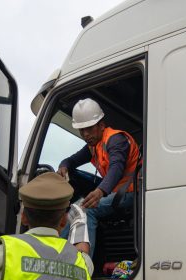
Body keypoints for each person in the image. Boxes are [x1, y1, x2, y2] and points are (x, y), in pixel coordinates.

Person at [58, 98, 140, 257]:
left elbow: (116, 167)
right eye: (82, 130)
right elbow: (72, 160)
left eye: (89, 129)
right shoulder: (93, 146)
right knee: (77, 207)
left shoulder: (115, 140)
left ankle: (82, 264)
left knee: (86, 210)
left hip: (131, 193)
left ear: (101, 126)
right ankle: (57, 251)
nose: (85, 134)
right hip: (115, 193)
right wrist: (63, 166)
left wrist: (100, 191)